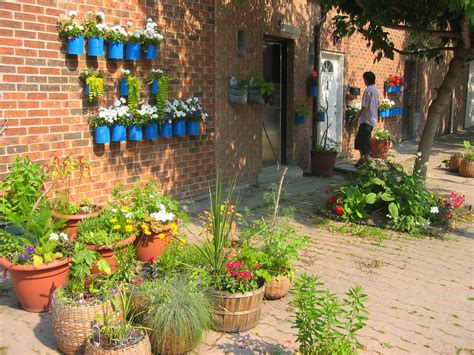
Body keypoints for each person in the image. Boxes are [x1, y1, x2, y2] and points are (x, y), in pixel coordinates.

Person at [354, 71, 379, 167]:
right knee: (360, 139)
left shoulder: (368, 90)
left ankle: (368, 163)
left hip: (366, 120)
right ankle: (362, 159)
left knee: (364, 141)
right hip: (371, 120)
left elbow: (364, 106)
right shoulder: (375, 90)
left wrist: (357, 117)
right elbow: (377, 104)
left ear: (366, 80)